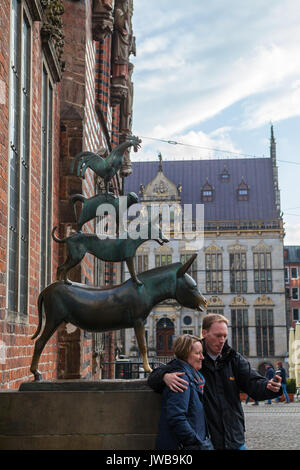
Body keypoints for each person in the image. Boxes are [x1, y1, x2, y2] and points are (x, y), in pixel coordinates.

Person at [148, 314, 282, 450]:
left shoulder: (233, 358)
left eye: (224, 336)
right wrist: (164, 376)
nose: (222, 340)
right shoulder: (193, 356)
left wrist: (270, 387)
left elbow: (253, 383)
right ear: (204, 333)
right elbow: (155, 377)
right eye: (218, 335)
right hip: (208, 439)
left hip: (233, 437)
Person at [155, 334, 213, 450]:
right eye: (197, 353)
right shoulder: (181, 378)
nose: (202, 357)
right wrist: (196, 442)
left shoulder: (194, 376)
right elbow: (177, 417)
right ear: (186, 355)